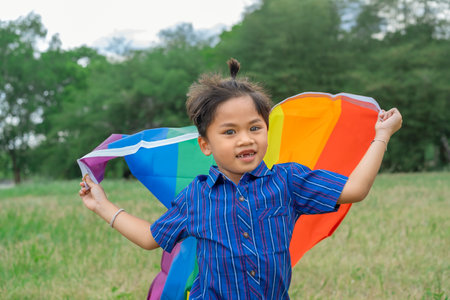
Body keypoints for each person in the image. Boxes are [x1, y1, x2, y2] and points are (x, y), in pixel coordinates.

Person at [79, 58, 402, 299]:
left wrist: (381, 136)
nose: (245, 139)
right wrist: (102, 206)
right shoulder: (197, 197)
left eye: (254, 128)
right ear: (205, 144)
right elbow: (151, 238)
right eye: (229, 132)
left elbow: (355, 189)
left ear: (267, 131)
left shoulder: (287, 182)